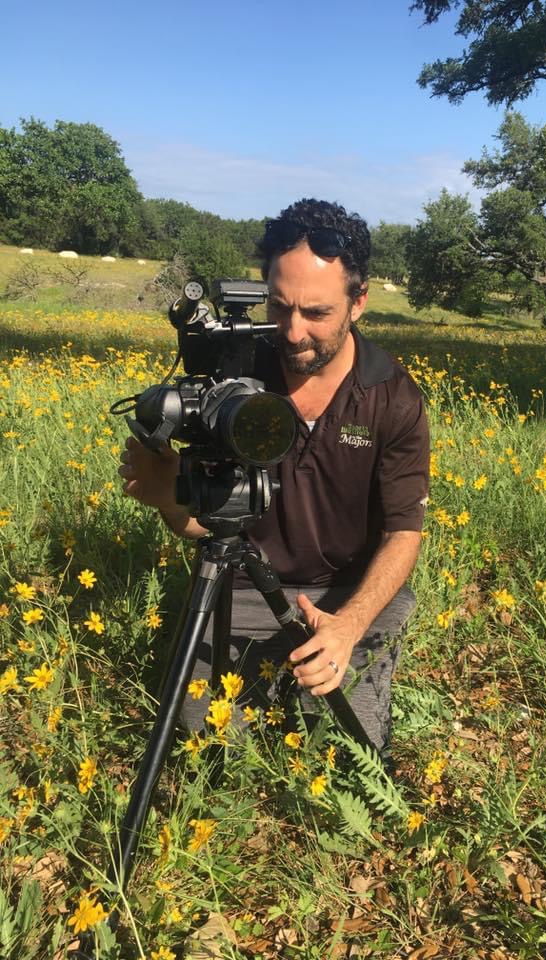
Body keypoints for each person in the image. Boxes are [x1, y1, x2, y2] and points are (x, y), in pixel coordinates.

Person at [118, 198, 429, 758]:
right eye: (278, 306)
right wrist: (170, 498)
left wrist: (349, 625)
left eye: (315, 313)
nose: (291, 332)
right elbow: (210, 523)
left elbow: (404, 533)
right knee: (208, 743)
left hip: (347, 594)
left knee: (343, 750)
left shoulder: (392, 397)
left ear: (358, 302)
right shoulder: (232, 377)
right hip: (242, 585)